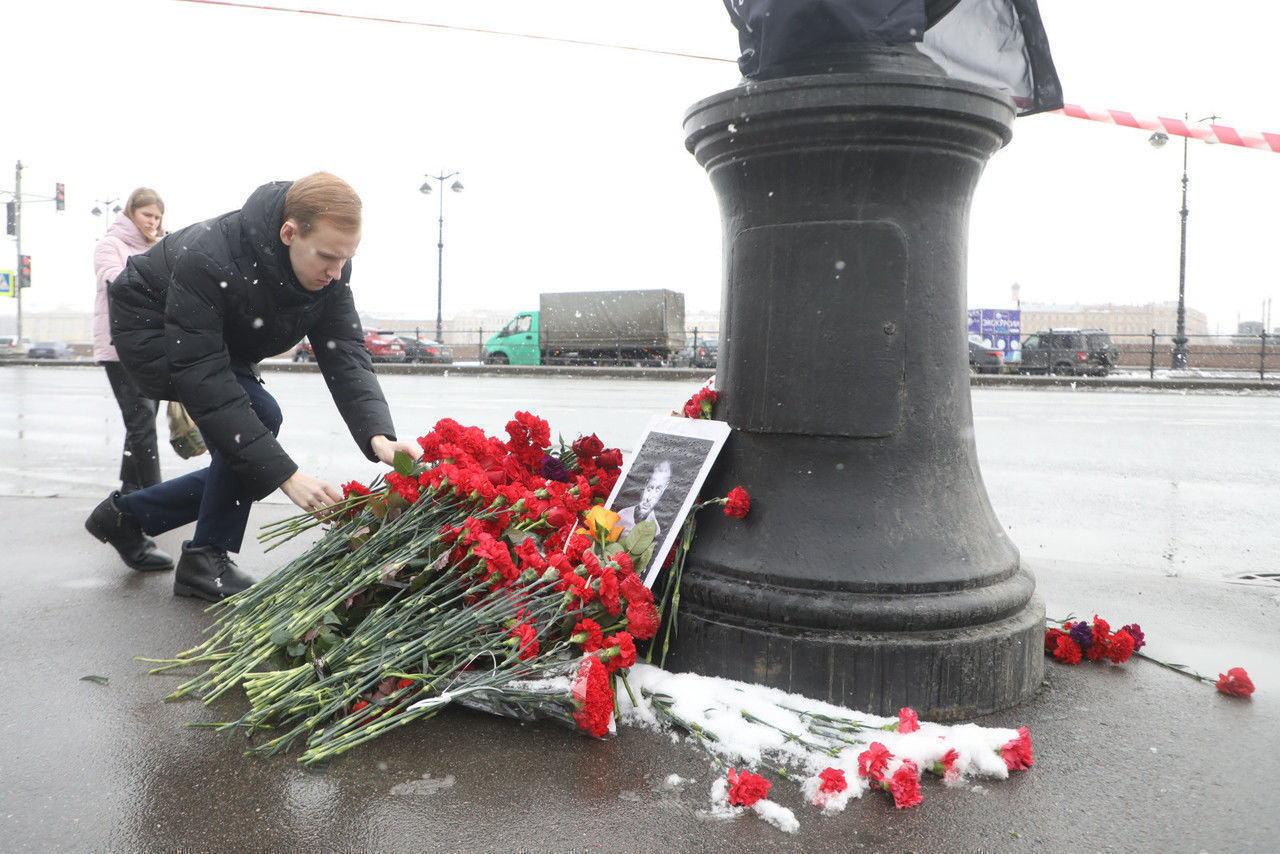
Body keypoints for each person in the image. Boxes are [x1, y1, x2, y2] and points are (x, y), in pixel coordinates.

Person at [84, 172, 422, 602]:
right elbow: (203, 375)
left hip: (219, 335)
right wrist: (287, 476)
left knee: (251, 431)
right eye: (326, 257)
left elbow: (344, 352)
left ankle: (126, 518)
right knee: (258, 415)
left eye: (345, 258)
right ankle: (205, 559)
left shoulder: (330, 266)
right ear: (289, 233)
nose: (336, 273)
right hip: (151, 327)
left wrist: (381, 438)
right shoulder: (212, 257)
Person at [93, 188, 167, 500]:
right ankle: (154, 496)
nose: (152, 222)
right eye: (147, 215)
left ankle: (130, 489)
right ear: (131, 213)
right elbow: (113, 278)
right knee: (141, 421)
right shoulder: (111, 245)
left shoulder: (161, 246)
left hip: (154, 343)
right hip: (119, 345)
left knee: (142, 421)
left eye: (158, 217)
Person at [615, 459, 671, 539]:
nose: (649, 498)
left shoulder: (656, 531)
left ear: (664, 490)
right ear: (645, 484)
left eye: (657, 490)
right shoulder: (622, 515)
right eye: (650, 488)